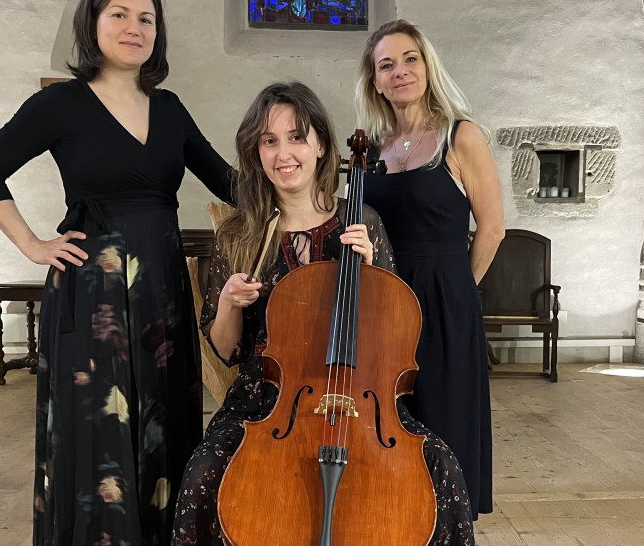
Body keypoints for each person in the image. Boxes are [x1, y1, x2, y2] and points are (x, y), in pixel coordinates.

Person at [0, 0, 235, 544]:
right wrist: (33, 245)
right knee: (98, 432)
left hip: (162, 294)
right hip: (93, 300)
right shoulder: (61, 103)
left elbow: (231, 185)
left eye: (147, 19)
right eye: (119, 14)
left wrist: (309, 187)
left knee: (164, 421)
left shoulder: (171, 109)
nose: (134, 28)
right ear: (92, 22)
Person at [171, 81, 475, 545]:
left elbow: (394, 334)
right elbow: (226, 349)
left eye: (296, 137)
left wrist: (374, 275)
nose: (283, 153)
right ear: (255, 154)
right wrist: (230, 302)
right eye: (269, 141)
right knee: (202, 474)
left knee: (442, 466)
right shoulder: (238, 234)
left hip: (359, 397)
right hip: (267, 402)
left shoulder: (362, 221)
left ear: (320, 146)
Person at [355, 19, 505, 518]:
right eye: (387, 65)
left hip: (443, 295)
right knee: (393, 417)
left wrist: (459, 289)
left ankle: (448, 523)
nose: (401, 72)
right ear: (375, 80)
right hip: (384, 297)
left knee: (444, 417)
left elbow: (492, 229)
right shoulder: (371, 151)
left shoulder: (461, 136)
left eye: (410, 59)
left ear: (427, 65)